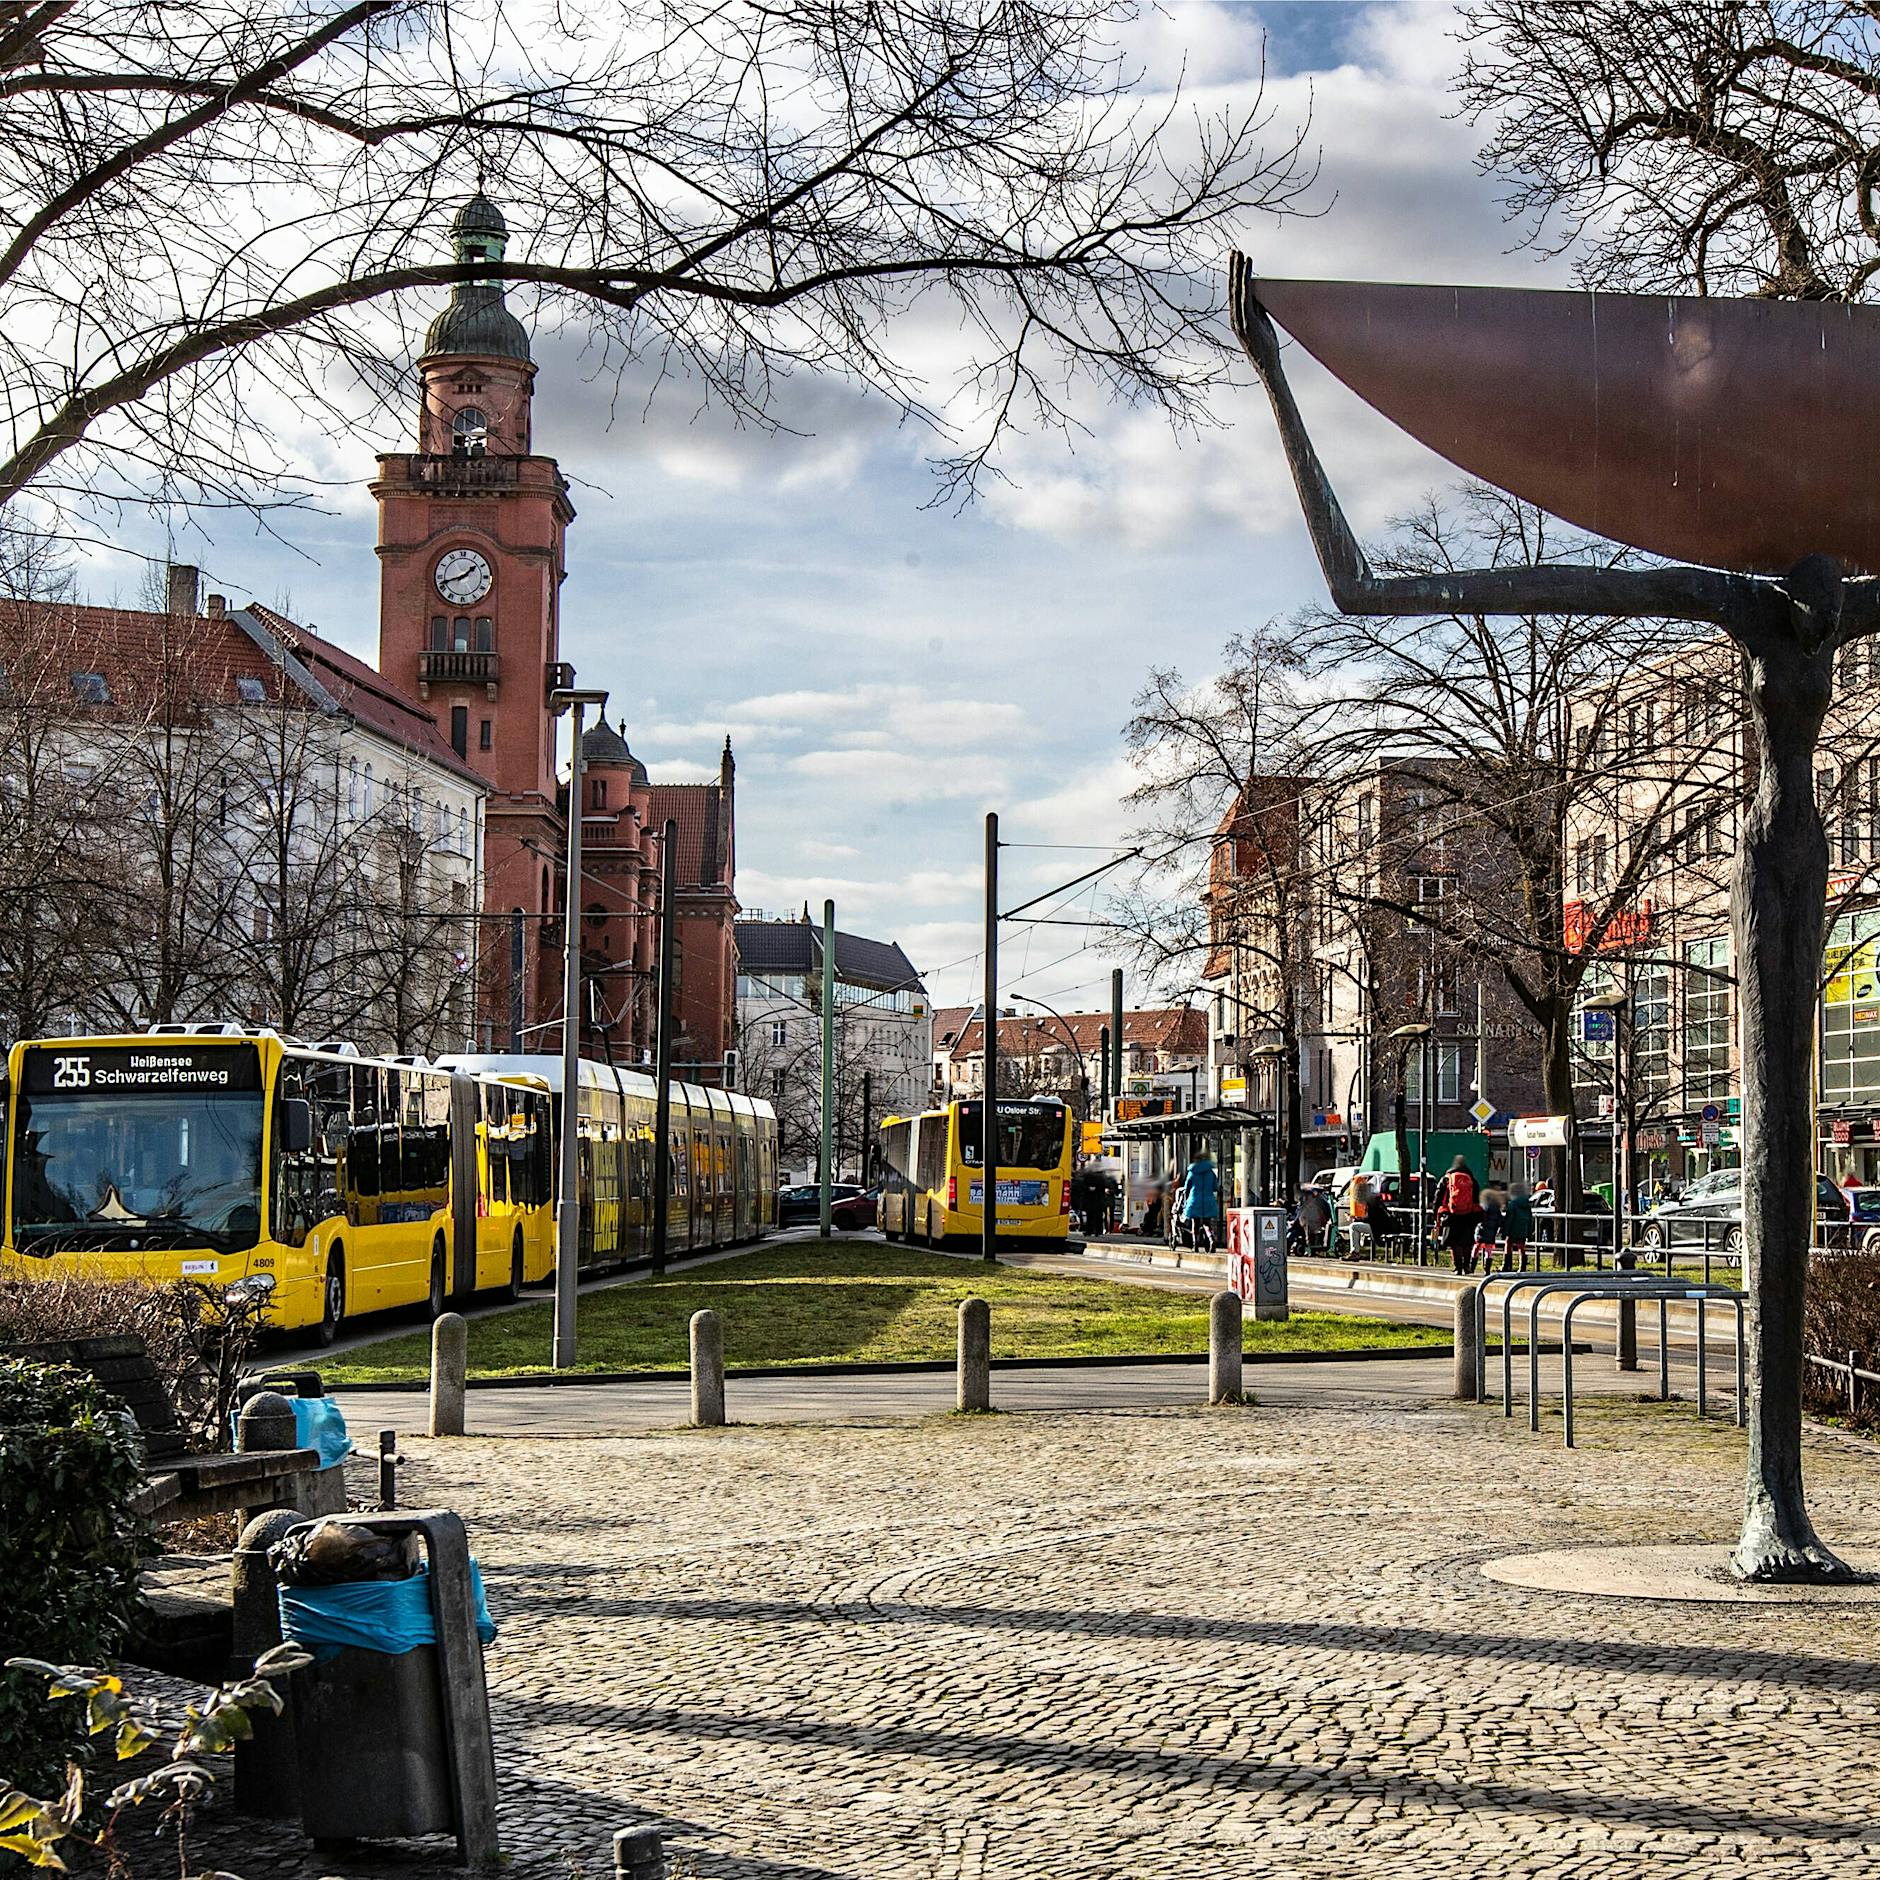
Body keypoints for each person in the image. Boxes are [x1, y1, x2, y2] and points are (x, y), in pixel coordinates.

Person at [1433, 1155, 1483, 1275]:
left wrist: (1436, 1213)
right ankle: (1467, 1266)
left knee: (1454, 1242)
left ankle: (1458, 1267)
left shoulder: (1447, 1179)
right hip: (1468, 1214)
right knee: (1466, 1242)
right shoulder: (1471, 1179)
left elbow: (1438, 1196)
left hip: (1451, 1214)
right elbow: (1476, 1197)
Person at [1178, 1150, 1221, 1251]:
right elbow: (1215, 1187)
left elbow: (1186, 1187)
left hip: (1195, 1200)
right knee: (1207, 1223)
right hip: (1208, 1201)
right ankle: (1211, 1239)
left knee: (1195, 1224)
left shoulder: (1192, 1172)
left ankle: (1195, 1245)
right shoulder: (1211, 1173)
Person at [1472, 1186, 1505, 1275]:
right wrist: (1498, 1227)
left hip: (1482, 1229)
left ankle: (1472, 1266)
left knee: (1476, 1246)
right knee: (1488, 1250)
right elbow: (1500, 1220)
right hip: (1491, 1230)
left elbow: (1478, 1217)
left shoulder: (1483, 1206)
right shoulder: (1497, 1208)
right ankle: (1487, 1269)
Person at [1505, 1181, 1535, 1270]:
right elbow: (1530, 1218)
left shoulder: (1512, 1204)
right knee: (1521, 1246)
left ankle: (1507, 1265)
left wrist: (1505, 1230)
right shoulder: (1526, 1204)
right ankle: (1522, 1266)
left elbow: (1509, 1218)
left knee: (1508, 1243)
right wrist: (1529, 1232)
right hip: (1523, 1227)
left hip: (1513, 1228)